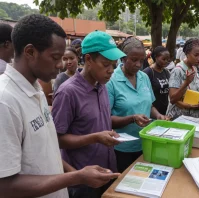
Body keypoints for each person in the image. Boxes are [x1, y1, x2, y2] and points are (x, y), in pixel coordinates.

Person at [0, 14, 120, 198]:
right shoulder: (5, 101)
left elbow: (50, 147)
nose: (61, 65)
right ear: (30, 52)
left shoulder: (36, 90)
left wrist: (75, 175)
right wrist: (76, 177)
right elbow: (5, 186)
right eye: (56, 57)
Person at [52, 30, 126, 198]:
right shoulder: (68, 93)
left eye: (113, 65)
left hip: (106, 169)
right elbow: (56, 140)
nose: (110, 70)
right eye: (106, 64)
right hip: (82, 178)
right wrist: (96, 137)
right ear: (88, 60)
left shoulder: (102, 86)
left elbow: (99, 122)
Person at [107, 37, 167, 173]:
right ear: (123, 58)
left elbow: (150, 105)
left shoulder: (144, 77)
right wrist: (132, 118)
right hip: (122, 149)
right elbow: (106, 119)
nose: (139, 65)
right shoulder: (111, 81)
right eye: (134, 60)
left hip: (145, 144)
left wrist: (158, 115)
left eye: (142, 60)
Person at [167, 38, 199, 121]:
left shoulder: (194, 68)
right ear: (187, 54)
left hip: (193, 118)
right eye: (196, 55)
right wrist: (186, 83)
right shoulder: (178, 71)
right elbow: (173, 99)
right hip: (179, 119)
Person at [143, 46, 171, 115]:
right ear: (156, 57)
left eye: (168, 59)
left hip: (165, 110)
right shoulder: (148, 72)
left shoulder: (166, 72)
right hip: (153, 112)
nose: (166, 62)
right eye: (164, 59)